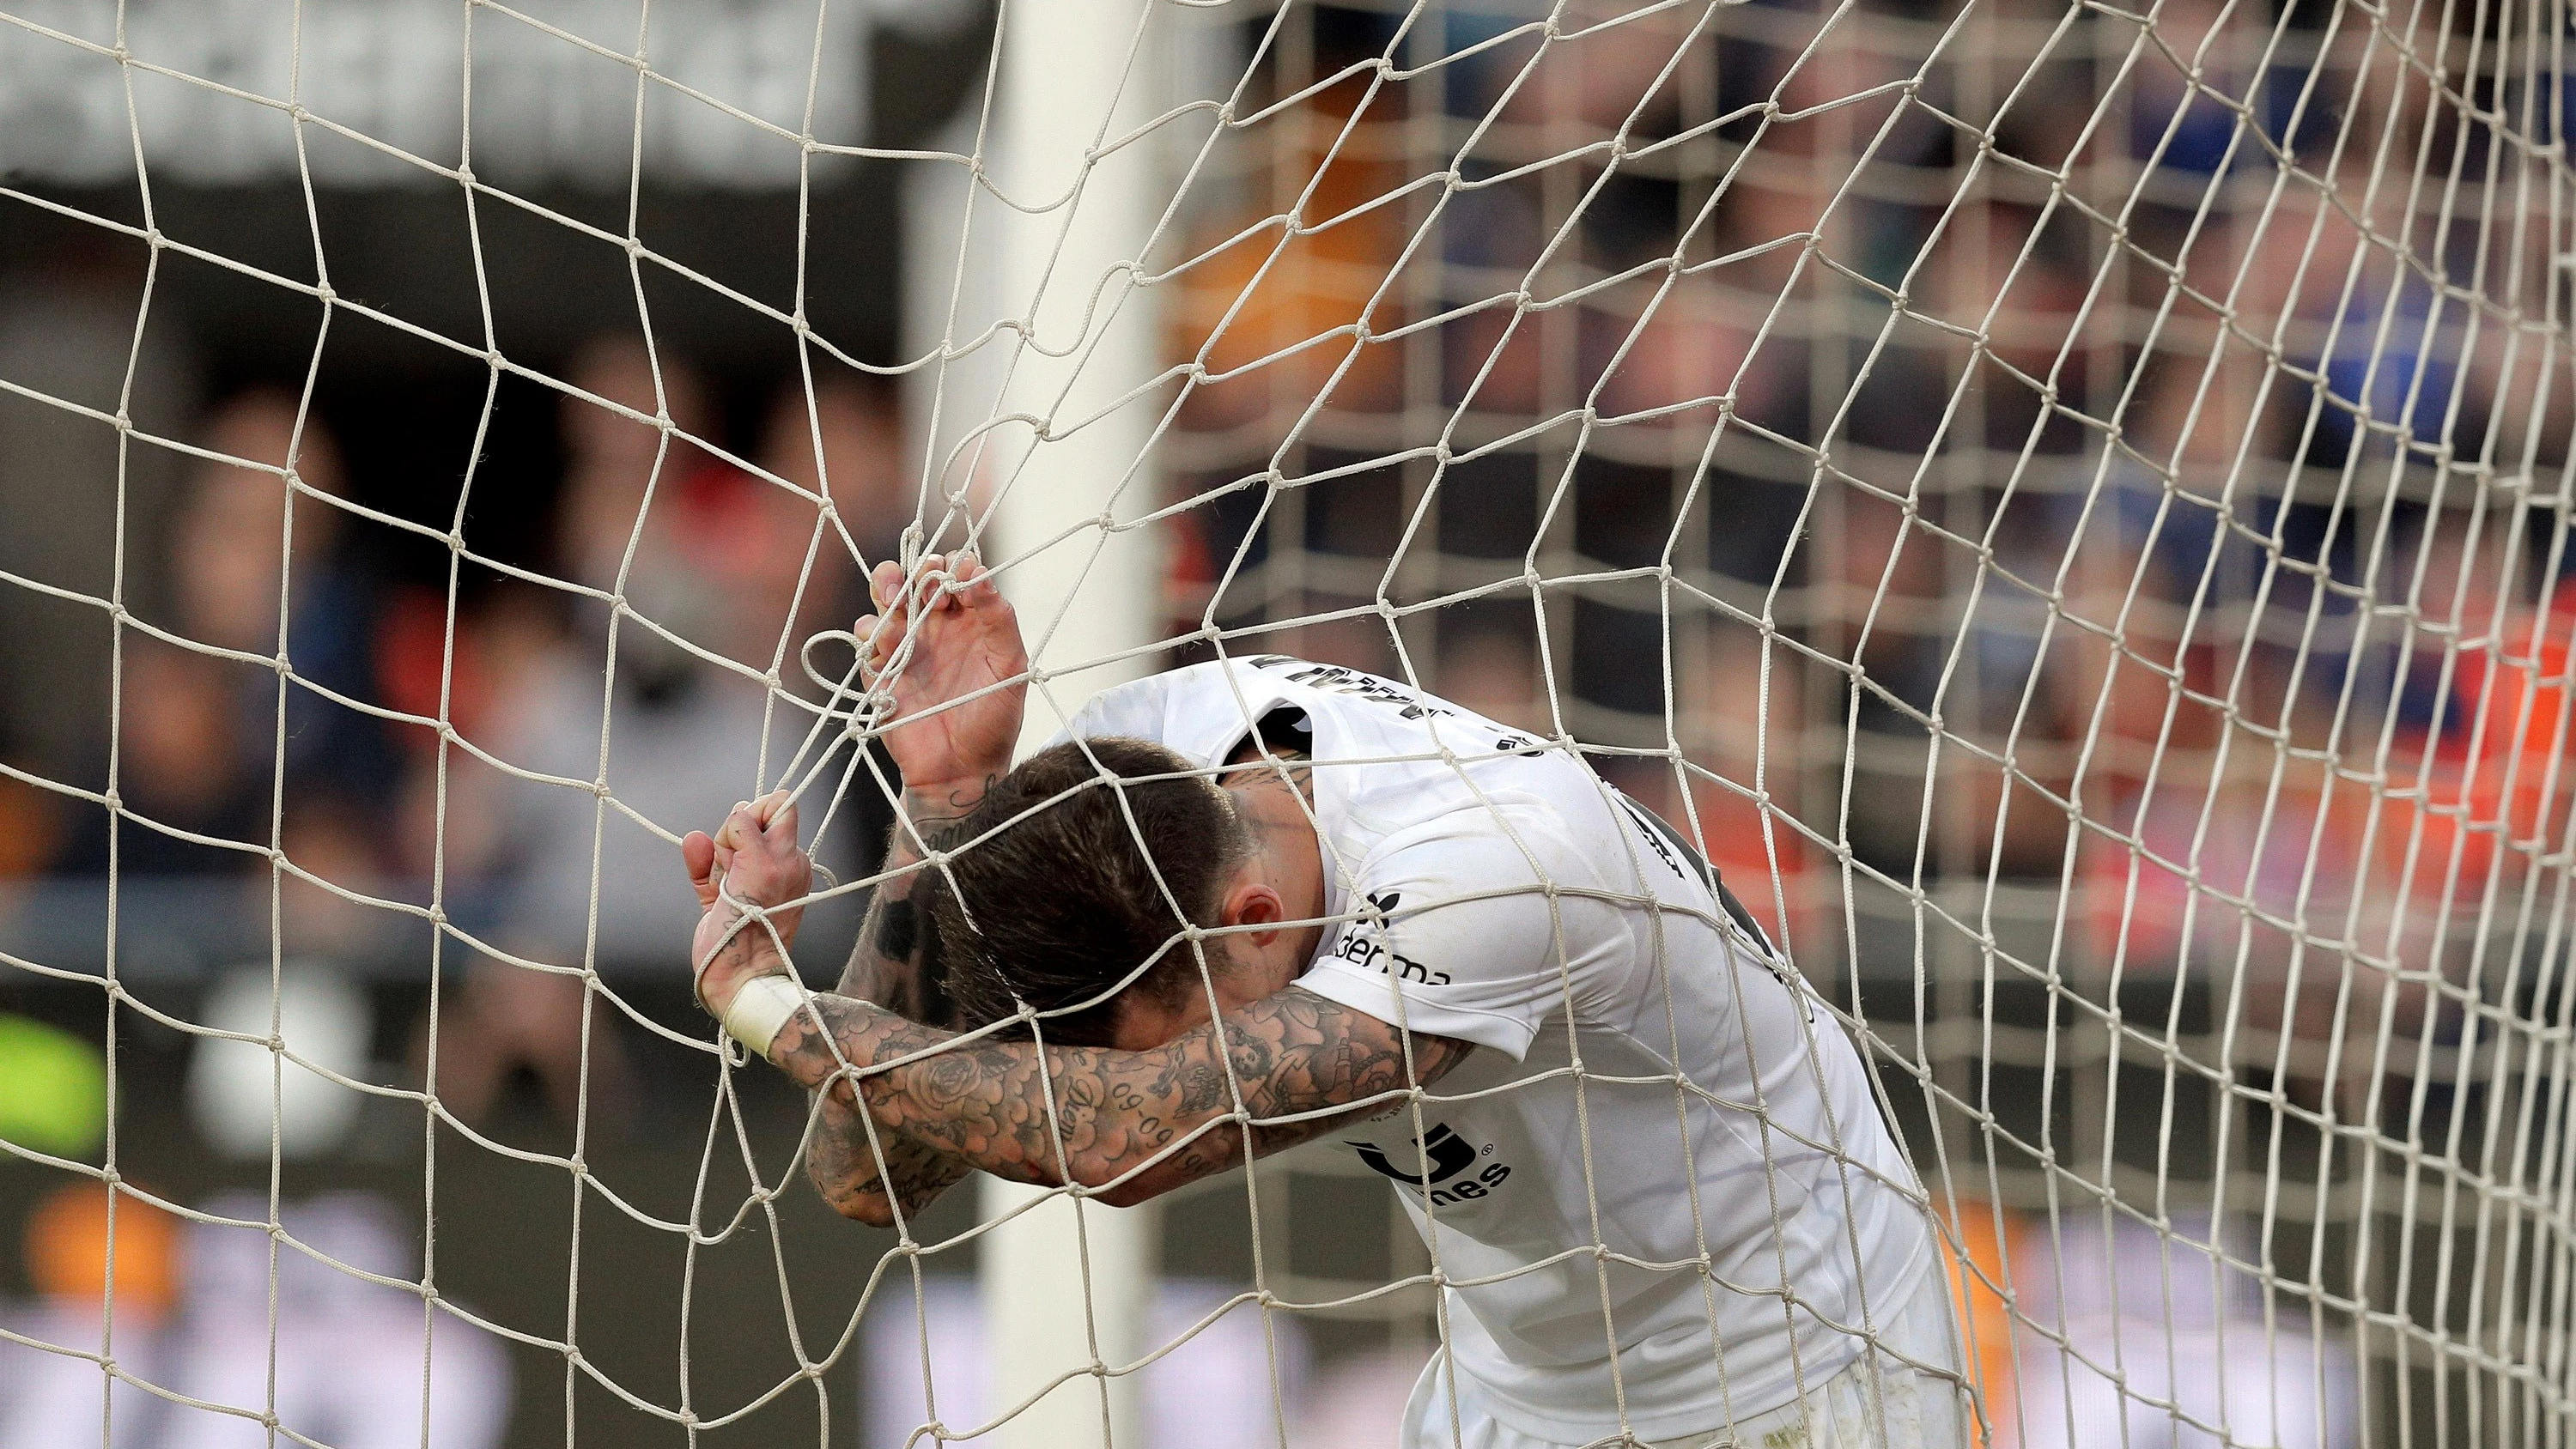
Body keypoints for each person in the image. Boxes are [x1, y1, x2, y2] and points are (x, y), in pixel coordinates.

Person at [682, 555, 1967, 1449]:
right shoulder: (1143, 773)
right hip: (1519, 1389)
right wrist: (949, 803)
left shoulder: (1490, 867)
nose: (1174, 1067)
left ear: (1248, 925)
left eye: (1183, 1042)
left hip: (1801, 1375)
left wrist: (764, 996)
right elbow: (872, 1178)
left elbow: (1122, 1137)